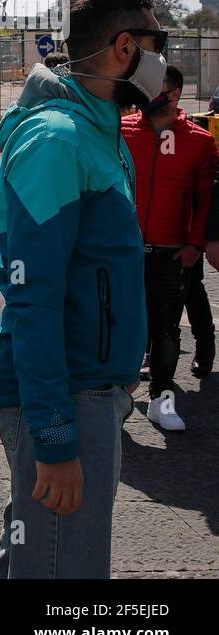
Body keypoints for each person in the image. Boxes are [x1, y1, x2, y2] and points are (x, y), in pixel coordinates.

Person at [0, 0, 159, 579]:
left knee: (37, 560)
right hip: (66, 394)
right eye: (155, 40)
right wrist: (57, 438)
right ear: (123, 47)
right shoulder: (60, 140)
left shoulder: (96, 131)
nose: (163, 56)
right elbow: (33, 299)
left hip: (89, 385)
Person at [121, 64, 215, 431]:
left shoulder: (200, 141)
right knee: (120, 327)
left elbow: (206, 199)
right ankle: (115, 401)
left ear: (174, 93)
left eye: (154, 88)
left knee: (166, 330)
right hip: (124, 252)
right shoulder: (122, 131)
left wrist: (194, 245)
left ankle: (162, 399)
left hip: (170, 253)